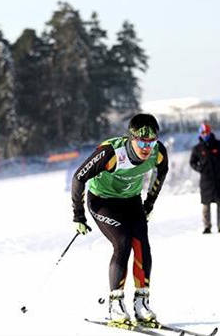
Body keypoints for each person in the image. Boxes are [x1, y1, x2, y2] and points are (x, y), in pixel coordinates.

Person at [71, 113, 169, 325]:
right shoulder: (111, 153)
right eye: (142, 141)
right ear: (131, 138)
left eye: (151, 142)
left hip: (131, 201)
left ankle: (141, 303)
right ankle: (115, 304)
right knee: (122, 243)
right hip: (102, 202)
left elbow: (161, 174)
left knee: (142, 244)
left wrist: (149, 204)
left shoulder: (158, 153)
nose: (146, 147)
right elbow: (79, 177)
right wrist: (78, 215)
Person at [189, 122, 220, 234]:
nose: (205, 134)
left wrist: (218, 167)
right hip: (206, 180)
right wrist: (200, 169)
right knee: (206, 205)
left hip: (219, 178)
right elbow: (192, 162)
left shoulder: (219, 144)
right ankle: (207, 227)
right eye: (203, 132)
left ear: (210, 132)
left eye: (207, 132)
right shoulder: (197, 148)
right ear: (200, 134)